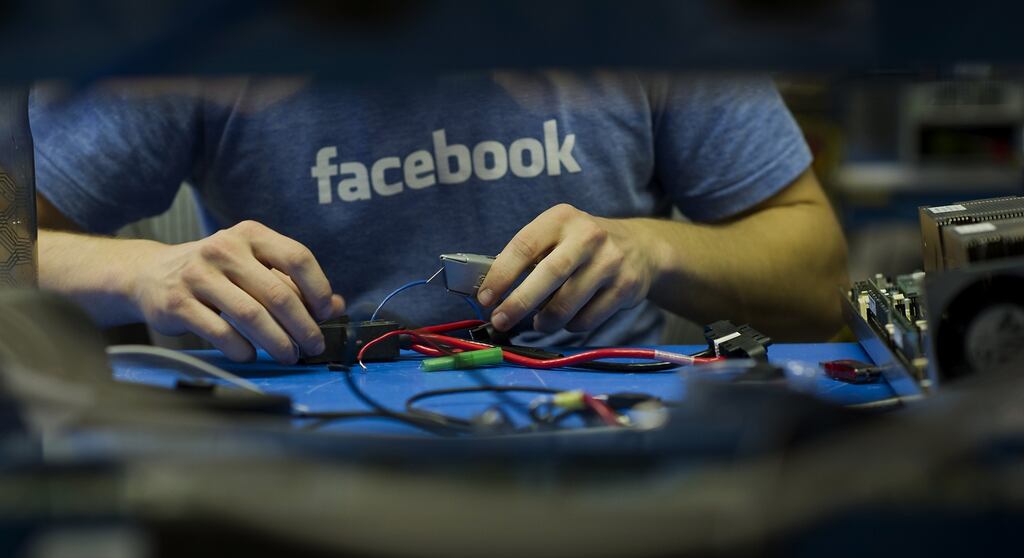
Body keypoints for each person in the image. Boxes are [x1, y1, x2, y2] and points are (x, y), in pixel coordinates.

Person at [31, 73, 848, 364]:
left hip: (616, 460)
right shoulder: (221, 37)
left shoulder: (640, 26)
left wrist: (654, 251)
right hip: (305, 482)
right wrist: (143, 273)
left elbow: (817, 279)